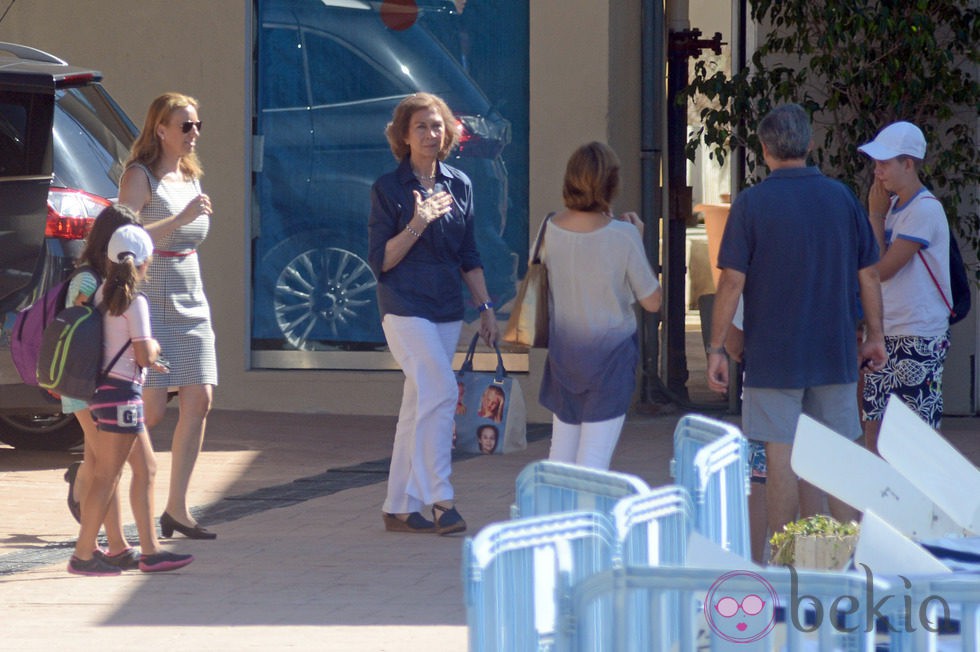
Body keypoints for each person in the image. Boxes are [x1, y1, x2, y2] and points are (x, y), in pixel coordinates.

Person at [706, 104, 887, 537]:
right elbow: (869, 273)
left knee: (779, 456)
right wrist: (876, 335)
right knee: (840, 455)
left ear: (765, 150)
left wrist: (715, 348)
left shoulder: (751, 204)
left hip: (772, 355)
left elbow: (731, 281)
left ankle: (786, 562)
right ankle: (849, 560)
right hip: (834, 350)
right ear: (809, 144)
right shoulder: (842, 198)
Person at [368, 92, 498, 535]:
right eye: (421, 126)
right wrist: (418, 221)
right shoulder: (389, 188)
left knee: (418, 403)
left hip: (446, 308)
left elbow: (468, 252)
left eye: (437, 125)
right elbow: (382, 260)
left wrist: (484, 307)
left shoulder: (459, 183)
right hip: (404, 307)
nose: (430, 133)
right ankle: (440, 498)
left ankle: (399, 506)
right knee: (442, 390)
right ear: (404, 136)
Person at [118, 92, 218, 540]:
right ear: (160, 129)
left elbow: (189, 234)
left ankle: (177, 508)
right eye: (185, 126)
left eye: (197, 125)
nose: (193, 133)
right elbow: (126, 234)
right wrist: (179, 219)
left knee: (200, 399)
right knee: (152, 410)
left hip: (191, 293)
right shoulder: (139, 175)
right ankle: (90, 475)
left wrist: (186, 218)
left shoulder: (189, 175)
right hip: (153, 292)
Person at [68, 225, 194, 575]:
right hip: (123, 395)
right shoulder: (134, 301)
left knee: (146, 468)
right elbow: (141, 352)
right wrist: (154, 349)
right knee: (108, 475)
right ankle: (83, 555)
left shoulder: (99, 295)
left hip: (103, 394)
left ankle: (150, 550)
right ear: (145, 261)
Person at [539, 142, 662, 470]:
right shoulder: (623, 235)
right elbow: (652, 301)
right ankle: (587, 522)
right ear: (611, 183)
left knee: (561, 457)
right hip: (609, 362)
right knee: (593, 464)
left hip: (563, 358)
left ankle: (554, 519)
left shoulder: (548, 228)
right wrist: (637, 238)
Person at [63, 205, 155, 571]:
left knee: (106, 466)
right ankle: (99, 548)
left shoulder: (105, 282)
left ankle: (116, 544)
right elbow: (78, 335)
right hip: (87, 386)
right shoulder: (90, 282)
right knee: (108, 468)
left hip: (95, 386)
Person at [858, 121, 952, 453]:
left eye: (884, 163)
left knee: (918, 435)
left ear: (908, 164)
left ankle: (923, 504)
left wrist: (875, 216)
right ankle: (880, 499)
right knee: (875, 423)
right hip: (888, 330)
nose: (877, 172)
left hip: (919, 333)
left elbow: (880, 270)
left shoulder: (924, 210)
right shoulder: (895, 207)